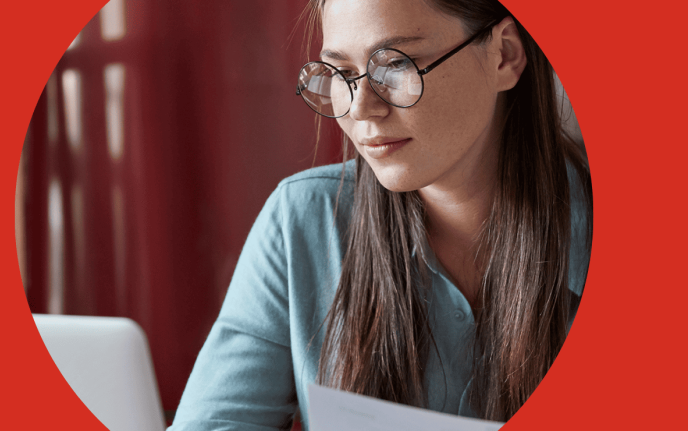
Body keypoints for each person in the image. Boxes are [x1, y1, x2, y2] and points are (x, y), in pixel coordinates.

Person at [170, 0, 592, 429]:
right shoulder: (303, 222)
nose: (360, 108)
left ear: (505, 55)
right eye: (342, 73)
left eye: (395, 65)